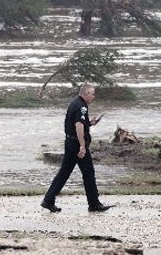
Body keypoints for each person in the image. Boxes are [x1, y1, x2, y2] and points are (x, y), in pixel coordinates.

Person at [41, 84, 114, 213]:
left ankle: (48, 200)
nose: (93, 96)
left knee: (64, 172)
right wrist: (82, 146)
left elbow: (79, 123)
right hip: (76, 143)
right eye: (92, 94)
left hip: (69, 141)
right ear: (85, 93)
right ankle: (94, 204)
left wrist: (90, 123)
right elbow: (78, 126)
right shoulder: (82, 106)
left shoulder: (75, 103)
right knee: (88, 172)